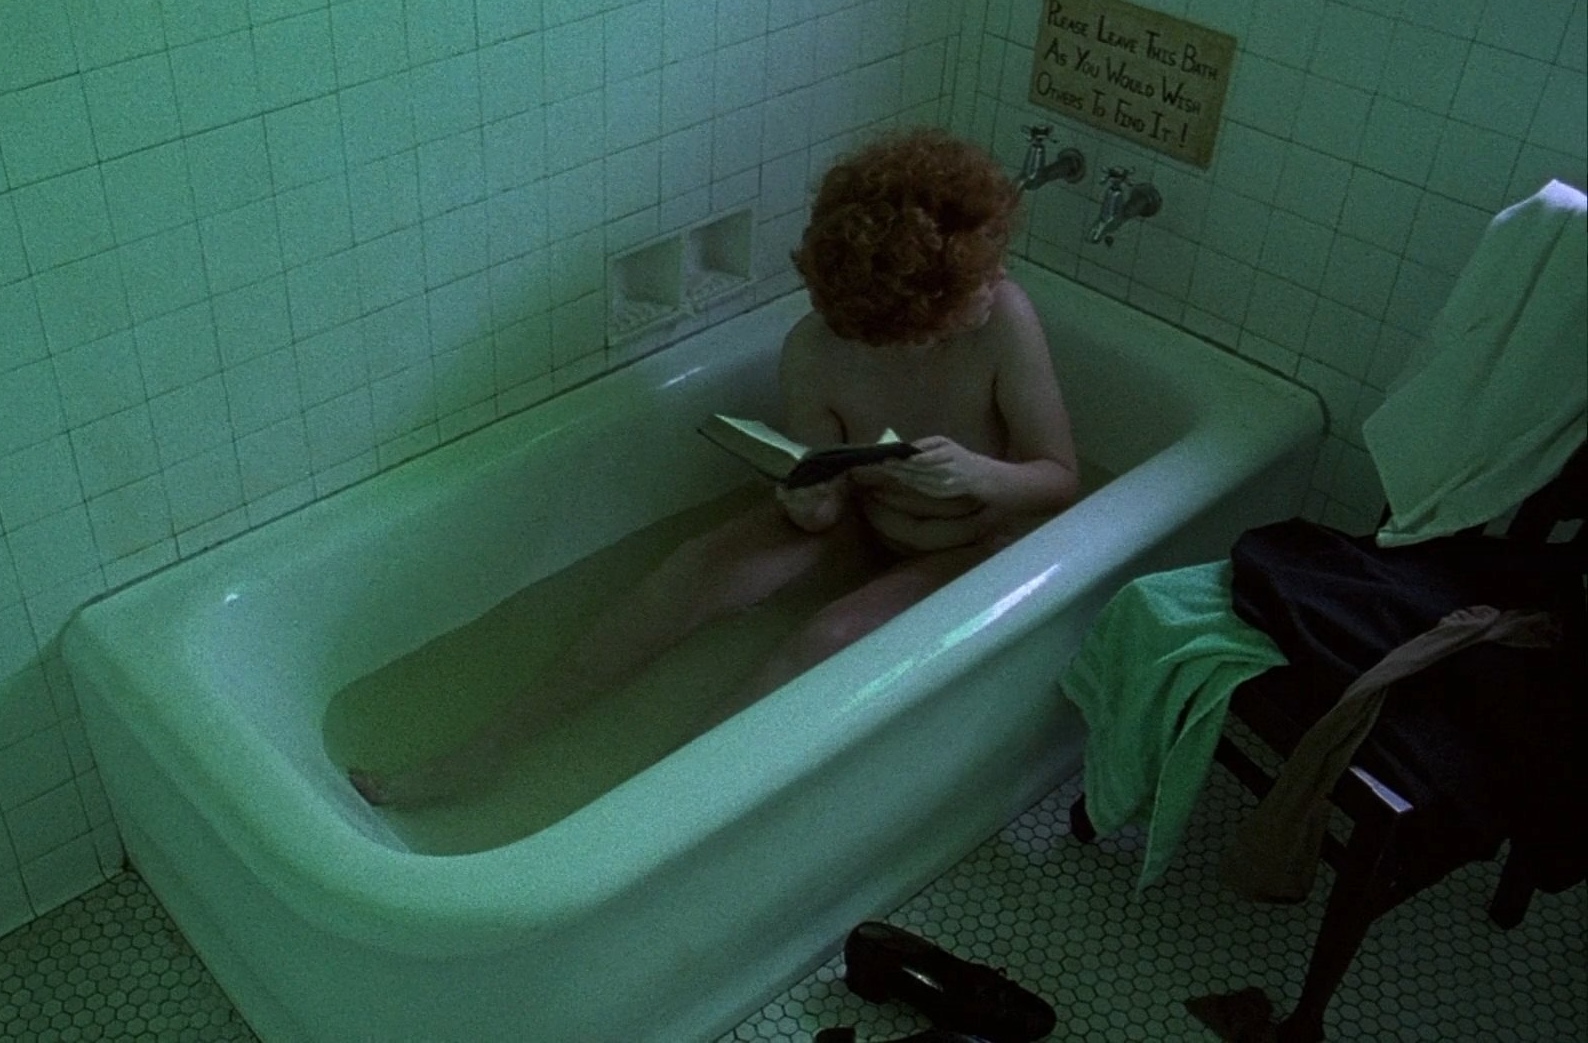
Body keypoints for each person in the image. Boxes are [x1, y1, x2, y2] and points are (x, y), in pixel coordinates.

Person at [350, 128, 1078, 807]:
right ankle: (489, 750)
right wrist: (810, 503)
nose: (997, 279)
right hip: (864, 525)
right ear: (908, 319)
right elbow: (822, 487)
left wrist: (982, 476)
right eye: (976, 279)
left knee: (827, 641)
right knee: (694, 570)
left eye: (990, 265)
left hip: (970, 542)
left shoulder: (1003, 324)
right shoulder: (819, 351)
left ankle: (647, 809)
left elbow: (1059, 479)